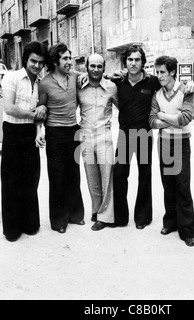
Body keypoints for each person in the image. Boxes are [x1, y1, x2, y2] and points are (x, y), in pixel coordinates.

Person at [108, 45, 194, 229]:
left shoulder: (153, 81)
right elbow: (103, 78)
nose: (133, 63)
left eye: (137, 59)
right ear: (125, 62)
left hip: (143, 134)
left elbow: (173, 82)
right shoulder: (119, 81)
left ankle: (142, 218)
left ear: (142, 62)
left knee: (144, 176)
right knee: (119, 175)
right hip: (125, 135)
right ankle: (120, 218)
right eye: (130, 59)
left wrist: (190, 83)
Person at [0, 41, 49, 242]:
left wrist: (39, 129)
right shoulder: (11, 77)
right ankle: (12, 229)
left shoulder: (40, 83)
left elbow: (41, 113)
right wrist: (35, 114)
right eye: (33, 61)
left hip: (30, 132)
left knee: (31, 180)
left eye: (40, 63)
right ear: (25, 60)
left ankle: (30, 224)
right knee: (11, 182)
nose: (36, 66)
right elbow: (9, 108)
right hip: (12, 132)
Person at [36, 43, 85, 234]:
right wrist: (39, 131)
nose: (69, 61)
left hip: (73, 131)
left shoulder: (75, 77)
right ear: (55, 61)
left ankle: (75, 215)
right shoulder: (45, 83)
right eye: (65, 58)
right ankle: (58, 220)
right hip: (55, 133)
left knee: (74, 174)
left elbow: (97, 76)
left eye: (69, 57)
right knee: (57, 177)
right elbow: (41, 110)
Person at [149, 56, 194, 247]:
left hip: (181, 143)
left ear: (172, 72)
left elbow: (186, 118)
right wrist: (170, 119)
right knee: (168, 185)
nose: (159, 76)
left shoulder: (186, 90)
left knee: (182, 186)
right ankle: (170, 222)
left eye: (162, 72)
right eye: (157, 72)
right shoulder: (157, 94)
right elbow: (152, 121)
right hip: (164, 143)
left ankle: (188, 231)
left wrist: (162, 115)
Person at [78, 54, 118, 231]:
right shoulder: (79, 86)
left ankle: (105, 217)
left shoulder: (111, 87)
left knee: (107, 177)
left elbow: (123, 107)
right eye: (92, 66)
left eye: (99, 66)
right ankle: (96, 210)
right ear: (86, 67)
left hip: (104, 136)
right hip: (85, 136)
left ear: (104, 68)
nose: (95, 69)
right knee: (91, 177)